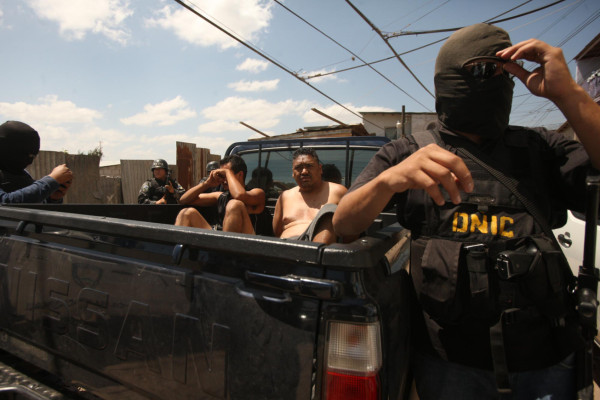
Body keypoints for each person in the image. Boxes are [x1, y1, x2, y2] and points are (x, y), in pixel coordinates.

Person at [333, 23, 600, 399]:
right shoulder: (408, 152)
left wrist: (569, 94)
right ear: (449, 79)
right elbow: (345, 221)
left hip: (544, 358)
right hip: (451, 362)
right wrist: (390, 180)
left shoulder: (539, 146)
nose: (499, 80)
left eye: (505, 69)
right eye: (482, 68)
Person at [175, 154, 266, 234]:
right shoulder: (221, 196)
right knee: (186, 213)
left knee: (234, 204)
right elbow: (184, 200)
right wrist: (207, 184)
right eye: (222, 176)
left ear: (240, 175)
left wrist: (227, 172)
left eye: (226, 175)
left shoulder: (257, 193)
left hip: (249, 244)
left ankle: (224, 250)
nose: (223, 180)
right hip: (220, 241)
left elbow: (239, 196)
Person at [273, 148, 347, 244]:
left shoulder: (338, 192)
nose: (304, 171)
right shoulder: (284, 197)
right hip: (287, 249)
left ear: (320, 169)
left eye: (309, 166)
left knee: (329, 210)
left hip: (319, 253)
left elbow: (351, 230)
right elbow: (277, 232)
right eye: (298, 167)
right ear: (293, 172)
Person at [0, 120, 73, 203]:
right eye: (25, 155)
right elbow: (5, 203)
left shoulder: (22, 174)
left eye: (32, 156)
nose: (29, 162)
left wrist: (52, 198)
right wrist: (50, 182)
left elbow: (27, 209)